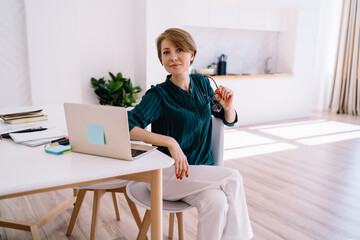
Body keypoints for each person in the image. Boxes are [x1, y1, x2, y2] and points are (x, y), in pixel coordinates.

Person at [128, 28, 253, 240]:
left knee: (218, 203)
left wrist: (228, 106)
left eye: (179, 49)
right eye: (166, 52)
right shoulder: (158, 95)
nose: (173, 57)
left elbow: (226, 118)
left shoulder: (203, 84)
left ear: (191, 54)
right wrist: (170, 142)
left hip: (201, 172)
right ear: (161, 59)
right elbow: (129, 127)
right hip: (168, 176)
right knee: (232, 177)